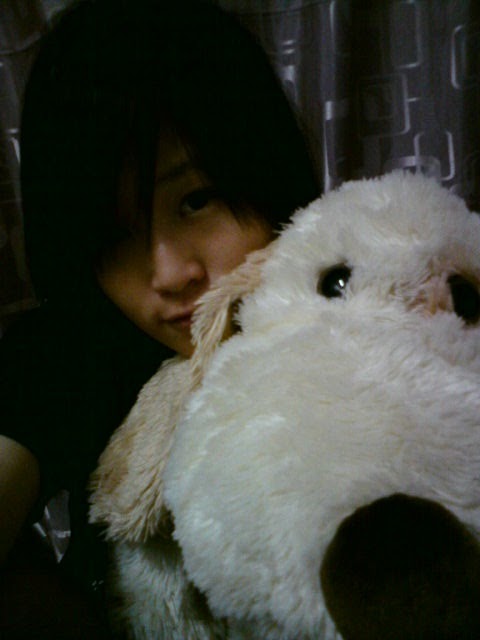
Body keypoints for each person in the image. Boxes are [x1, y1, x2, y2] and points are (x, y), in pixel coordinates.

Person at [0, 0, 318, 634]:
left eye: (196, 200)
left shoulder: (366, 318)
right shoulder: (74, 355)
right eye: (116, 234)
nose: (170, 273)